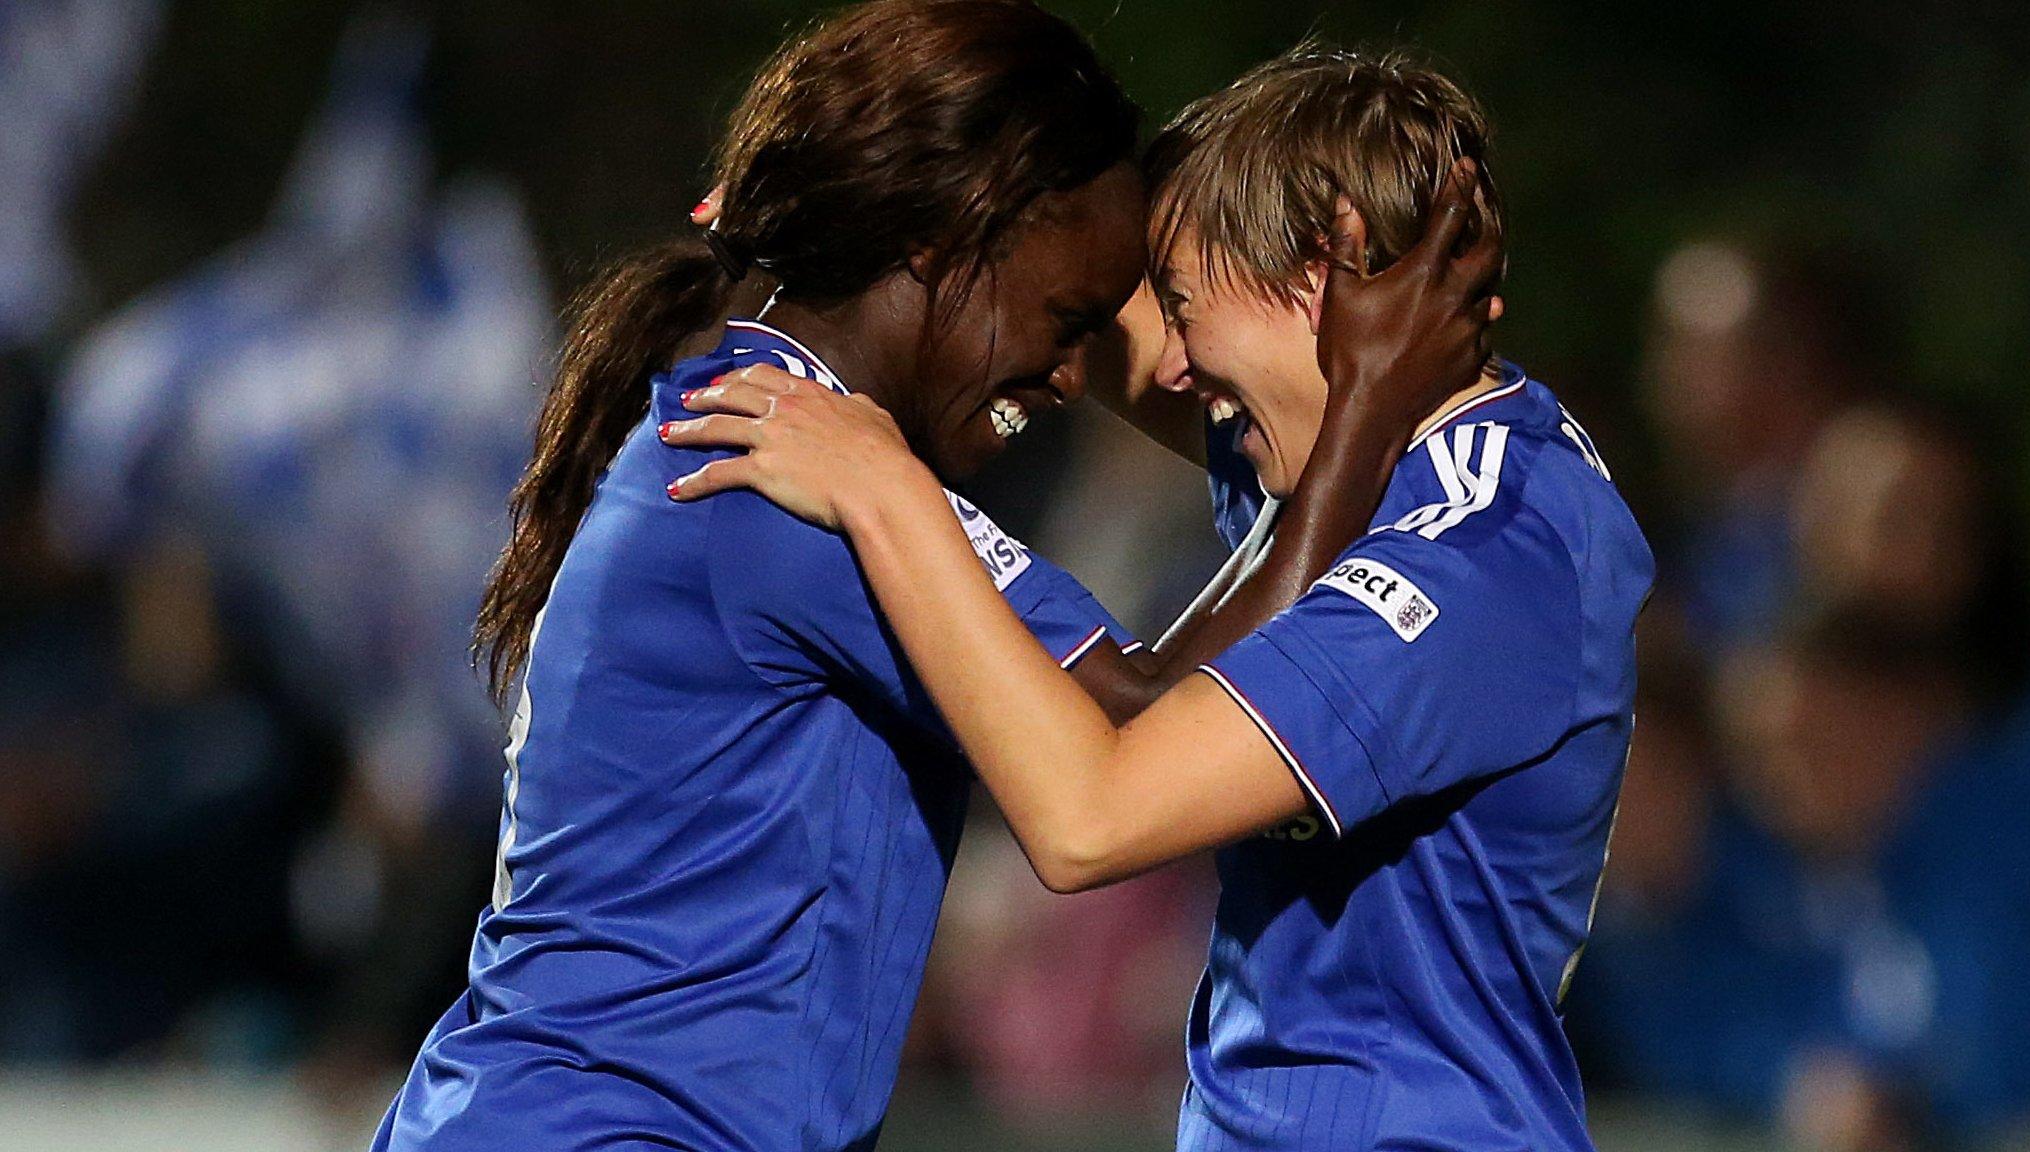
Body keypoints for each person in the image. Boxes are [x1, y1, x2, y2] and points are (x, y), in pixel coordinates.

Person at [377, 8, 1500, 1151]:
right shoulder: (799, 479)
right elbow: (1151, 725)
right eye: (1067, 321)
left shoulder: (774, 420)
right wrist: (1363, 410)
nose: (1073, 378)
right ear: (942, 240)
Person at [663, 48, 1651, 1151]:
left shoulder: (1476, 551)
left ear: (1330, 270)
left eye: (1182, 303)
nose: (1171, 366)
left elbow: (1090, 818)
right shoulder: (1348, 451)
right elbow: (1061, 307)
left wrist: (884, 488)